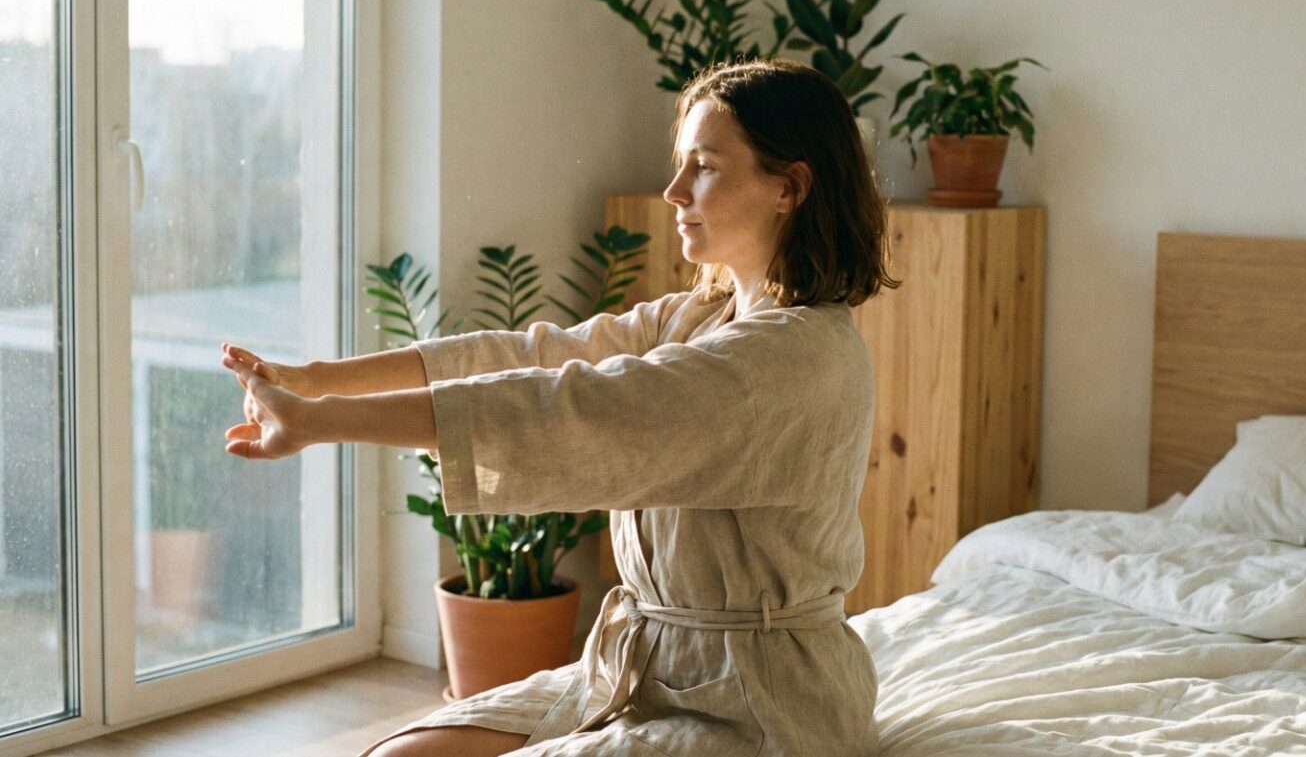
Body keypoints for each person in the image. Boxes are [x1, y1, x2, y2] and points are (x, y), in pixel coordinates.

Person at [220, 57, 900, 757]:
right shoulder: (703, 313)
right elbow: (534, 355)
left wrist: (320, 422)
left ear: (789, 186)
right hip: (647, 668)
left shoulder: (793, 356)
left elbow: (577, 407)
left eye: (704, 167)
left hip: (762, 703)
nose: (673, 191)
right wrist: (314, 380)